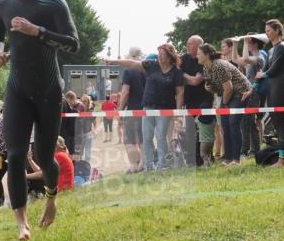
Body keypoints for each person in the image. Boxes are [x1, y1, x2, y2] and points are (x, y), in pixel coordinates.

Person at [0, 0, 80, 241]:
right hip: (17, 88)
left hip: (49, 89)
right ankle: (21, 223)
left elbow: (72, 43)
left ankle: (52, 197)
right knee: (15, 155)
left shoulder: (53, 3)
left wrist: (36, 31)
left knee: (43, 155)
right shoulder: (3, 5)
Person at [107, 43, 185, 171]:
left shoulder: (176, 72)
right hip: (148, 107)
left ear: (170, 56)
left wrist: (177, 112)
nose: (159, 57)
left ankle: (162, 165)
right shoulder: (151, 65)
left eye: (163, 54)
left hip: (165, 109)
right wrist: (114, 61)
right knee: (147, 137)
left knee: (161, 136)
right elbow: (132, 64)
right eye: (158, 54)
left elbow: (180, 92)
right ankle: (149, 166)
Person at [197, 42, 251, 165]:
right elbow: (218, 88)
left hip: (240, 93)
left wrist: (225, 103)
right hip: (227, 95)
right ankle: (228, 158)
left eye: (199, 53)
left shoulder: (219, 65)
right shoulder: (206, 68)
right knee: (225, 126)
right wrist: (210, 89)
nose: (197, 56)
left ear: (207, 55)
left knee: (233, 124)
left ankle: (236, 160)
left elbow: (229, 88)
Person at [258, 20, 284, 167]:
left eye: (269, 30)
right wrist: (251, 87)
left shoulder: (282, 47)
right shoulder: (271, 50)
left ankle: (283, 159)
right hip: (272, 89)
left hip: (281, 88)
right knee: (277, 124)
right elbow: (264, 69)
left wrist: (263, 75)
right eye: (266, 31)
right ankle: (281, 157)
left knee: (280, 124)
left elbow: (274, 69)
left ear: (278, 31)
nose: (267, 33)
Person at [180, 35, 210, 166]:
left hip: (204, 99)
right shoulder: (183, 59)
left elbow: (195, 81)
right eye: (187, 43)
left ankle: (206, 157)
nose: (188, 46)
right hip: (189, 100)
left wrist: (181, 74)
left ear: (199, 46)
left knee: (204, 130)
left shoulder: (203, 60)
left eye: (190, 44)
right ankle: (192, 159)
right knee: (190, 131)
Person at [237, 35, 268, 158]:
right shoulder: (252, 58)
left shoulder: (259, 58)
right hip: (248, 92)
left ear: (255, 44)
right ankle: (255, 149)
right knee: (249, 122)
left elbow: (244, 58)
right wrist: (234, 44)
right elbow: (236, 59)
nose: (247, 45)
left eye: (249, 43)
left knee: (247, 122)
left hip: (254, 93)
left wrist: (244, 41)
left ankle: (246, 150)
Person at [118, 47, 147, 173]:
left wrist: (120, 109)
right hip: (147, 109)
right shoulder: (147, 69)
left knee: (129, 140)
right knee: (143, 138)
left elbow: (125, 92)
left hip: (133, 109)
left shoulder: (129, 70)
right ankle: (144, 164)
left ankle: (134, 166)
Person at [60, 91, 83, 157]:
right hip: (72, 134)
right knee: (72, 153)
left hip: (74, 135)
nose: (68, 103)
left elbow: (79, 122)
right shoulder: (73, 108)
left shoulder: (77, 108)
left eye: (69, 102)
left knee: (74, 154)